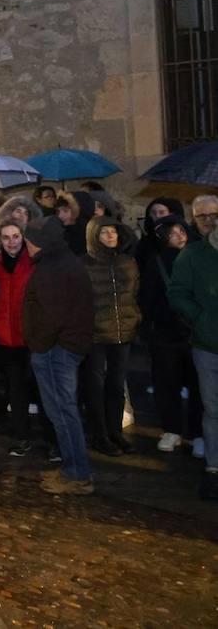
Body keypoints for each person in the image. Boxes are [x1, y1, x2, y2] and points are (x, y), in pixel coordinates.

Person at [23, 218, 96, 495]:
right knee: (64, 411)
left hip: (56, 350)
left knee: (62, 413)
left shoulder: (53, 269)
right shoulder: (62, 261)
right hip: (64, 347)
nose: (26, 246)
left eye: (29, 241)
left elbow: (51, 317)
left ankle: (77, 474)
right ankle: (72, 468)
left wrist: (37, 344)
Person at [0, 220, 56, 458]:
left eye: (15, 236)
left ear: (23, 237)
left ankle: (52, 441)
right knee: (15, 394)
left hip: (32, 337)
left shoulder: (35, 262)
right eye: (6, 237)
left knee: (42, 391)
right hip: (5, 339)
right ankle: (20, 437)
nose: (11, 242)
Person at [167, 198, 218, 500]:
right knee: (214, 409)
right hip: (208, 345)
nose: (211, 221)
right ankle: (214, 467)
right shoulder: (193, 255)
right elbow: (177, 293)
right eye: (205, 216)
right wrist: (201, 319)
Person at [140, 215, 202, 453]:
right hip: (165, 334)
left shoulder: (198, 258)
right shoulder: (156, 262)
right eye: (172, 231)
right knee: (167, 383)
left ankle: (198, 433)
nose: (178, 234)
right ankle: (172, 430)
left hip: (195, 332)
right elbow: (147, 298)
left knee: (199, 386)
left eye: (181, 229)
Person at [84, 216, 141, 455]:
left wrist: (134, 317)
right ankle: (99, 434)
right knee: (95, 385)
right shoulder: (85, 264)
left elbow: (134, 293)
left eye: (113, 232)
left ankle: (114, 431)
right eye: (104, 232)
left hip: (123, 332)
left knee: (116, 385)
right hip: (96, 334)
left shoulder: (127, 262)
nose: (110, 236)